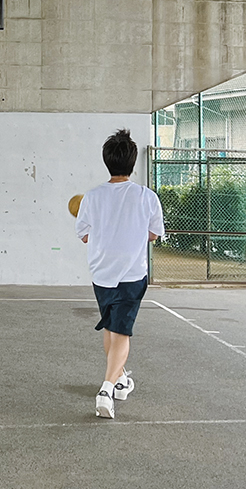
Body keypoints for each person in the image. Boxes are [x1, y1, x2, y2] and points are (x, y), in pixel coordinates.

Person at [75, 129, 164, 418]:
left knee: (112, 329)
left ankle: (121, 379)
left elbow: (84, 236)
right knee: (121, 332)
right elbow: (154, 234)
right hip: (132, 275)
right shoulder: (146, 196)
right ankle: (106, 389)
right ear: (133, 163)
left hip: (101, 274)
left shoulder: (92, 197)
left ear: (107, 161)